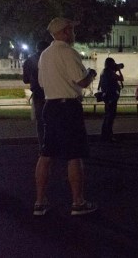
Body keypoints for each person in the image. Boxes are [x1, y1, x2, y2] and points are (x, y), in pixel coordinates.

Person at [34, 17, 98, 216]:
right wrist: (92, 74)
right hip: (68, 107)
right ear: (64, 32)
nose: (74, 34)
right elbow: (82, 81)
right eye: (71, 30)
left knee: (46, 154)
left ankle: (40, 201)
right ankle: (77, 202)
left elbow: (42, 83)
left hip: (50, 106)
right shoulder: (69, 53)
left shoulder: (45, 55)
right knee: (74, 154)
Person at [22, 40, 49, 153]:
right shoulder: (50, 59)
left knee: (40, 122)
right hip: (51, 92)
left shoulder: (29, 61)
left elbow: (25, 80)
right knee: (52, 121)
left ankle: (42, 147)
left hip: (37, 93)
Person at [98, 57, 124, 142]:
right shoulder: (109, 72)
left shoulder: (104, 71)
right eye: (113, 63)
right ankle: (108, 136)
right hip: (111, 97)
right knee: (110, 117)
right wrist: (119, 70)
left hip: (107, 96)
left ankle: (104, 135)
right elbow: (121, 78)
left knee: (107, 116)